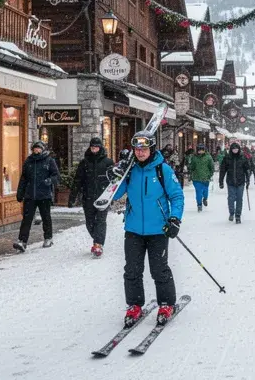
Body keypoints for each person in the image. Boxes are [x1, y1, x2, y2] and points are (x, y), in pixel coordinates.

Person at [112, 131, 185, 327]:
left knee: (159, 269)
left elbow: (177, 196)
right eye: (137, 149)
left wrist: (174, 219)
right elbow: (116, 193)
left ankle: (166, 303)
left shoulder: (163, 170)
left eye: (144, 148)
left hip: (158, 229)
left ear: (151, 149)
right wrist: (115, 176)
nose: (140, 152)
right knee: (132, 270)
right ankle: (135, 305)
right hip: (134, 228)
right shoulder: (131, 170)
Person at [69, 137, 114, 257]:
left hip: (103, 197)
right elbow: (78, 180)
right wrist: (73, 196)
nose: (94, 149)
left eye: (96, 147)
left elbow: (114, 181)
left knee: (100, 221)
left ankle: (98, 244)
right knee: (89, 222)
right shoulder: (84, 163)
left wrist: (112, 196)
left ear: (100, 148)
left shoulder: (108, 162)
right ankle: (98, 239)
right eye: (93, 147)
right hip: (88, 197)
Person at [14, 141, 60, 252]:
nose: (37, 150)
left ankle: (48, 237)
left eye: (39, 148)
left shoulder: (49, 161)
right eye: (35, 148)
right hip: (30, 195)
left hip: (44, 195)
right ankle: (22, 241)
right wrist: (20, 193)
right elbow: (23, 179)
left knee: (46, 217)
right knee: (27, 219)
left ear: (43, 149)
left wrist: (49, 181)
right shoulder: (29, 162)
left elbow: (56, 176)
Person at [218, 142, 251, 223]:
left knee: (239, 199)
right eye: (233, 149)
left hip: (241, 181)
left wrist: (248, 180)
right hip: (230, 181)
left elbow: (247, 169)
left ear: (239, 149)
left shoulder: (243, 158)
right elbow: (222, 170)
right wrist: (220, 181)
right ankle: (232, 213)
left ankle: (238, 215)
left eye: (236, 149)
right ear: (231, 150)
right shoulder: (227, 158)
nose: (235, 151)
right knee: (231, 198)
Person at [188, 144, 214, 212]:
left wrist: (210, 174)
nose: (200, 151)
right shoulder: (194, 157)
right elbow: (192, 167)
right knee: (198, 192)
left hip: (205, 177)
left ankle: (205, 198)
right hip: (196, 178)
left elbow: (211, 167)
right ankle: (199, 205)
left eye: (202, 150)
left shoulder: (208, 157)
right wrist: (190, 167)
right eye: (199, 150)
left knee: (205, 191)